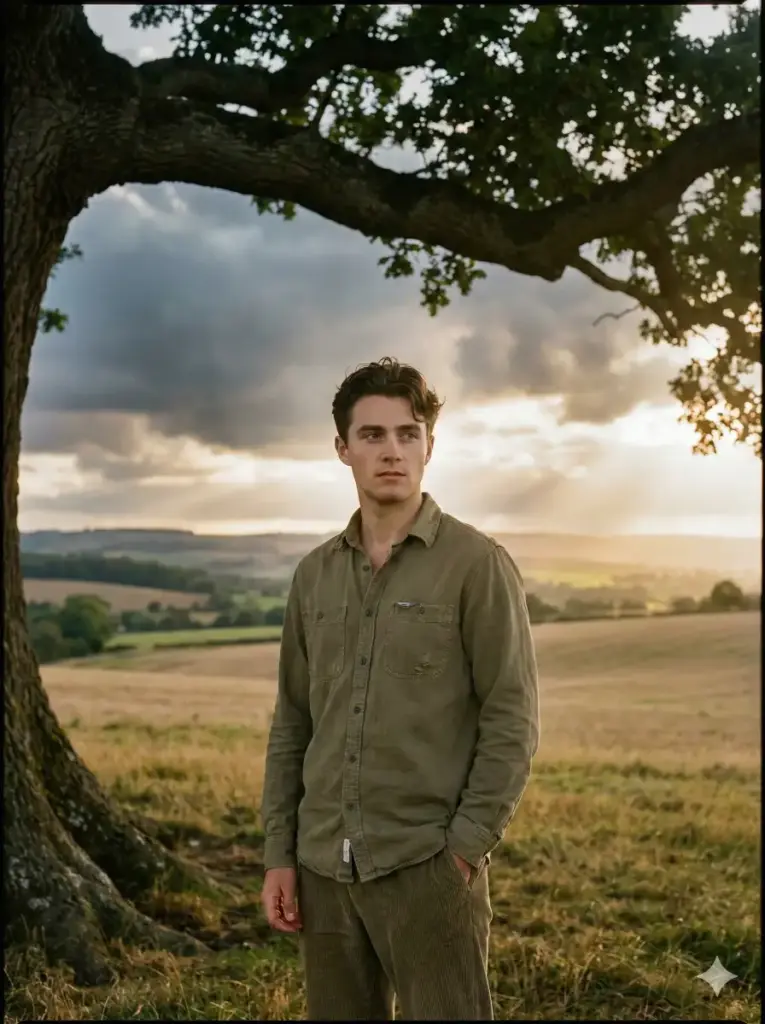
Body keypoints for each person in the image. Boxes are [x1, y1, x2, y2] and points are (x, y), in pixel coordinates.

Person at [260, 357, 540, 1020]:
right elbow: (293, 723)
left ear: (428, 446)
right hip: (323, 868)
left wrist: (464, 850)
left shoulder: (477, 565)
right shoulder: (313, 576)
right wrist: (280, 855)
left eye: (408, 434)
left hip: (427, 866)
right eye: (373, 435)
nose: (392, 451)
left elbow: (512, 719)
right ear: (343, 449)